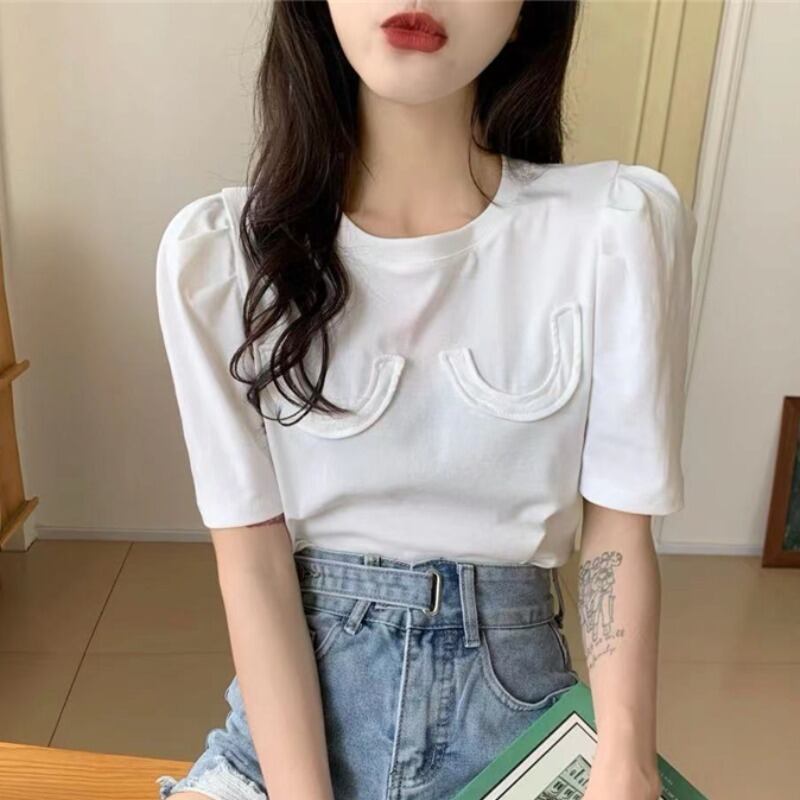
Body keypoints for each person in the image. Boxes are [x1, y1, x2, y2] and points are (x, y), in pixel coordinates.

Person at [154, 2, 697, 799]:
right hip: (284, 746)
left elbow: (618, 530)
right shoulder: (222, 256)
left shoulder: (612, 229)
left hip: (515, 733)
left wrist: (626, 763)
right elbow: (252, 562)